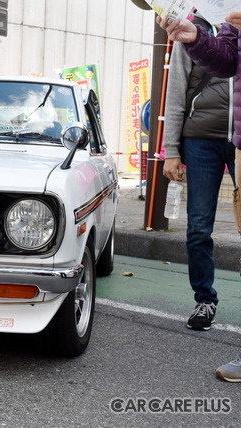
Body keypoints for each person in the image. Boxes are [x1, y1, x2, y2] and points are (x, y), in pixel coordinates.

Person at [159, 11, 241, 383]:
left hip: (238, 139)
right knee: (198, 228)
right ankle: (205, 301)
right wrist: (170, 150)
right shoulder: (193, 24)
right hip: (201, 140)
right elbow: (176, 91)